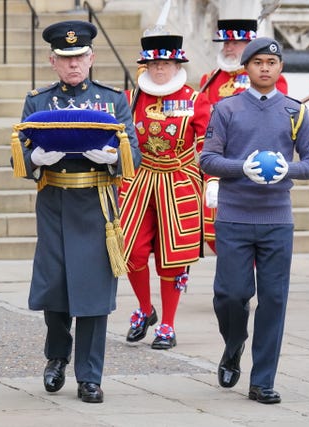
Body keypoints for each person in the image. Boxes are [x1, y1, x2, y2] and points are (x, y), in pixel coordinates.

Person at [12, 20, 140, 403]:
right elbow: (18, 150)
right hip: (54, 202)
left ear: (92, 58)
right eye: (65, 58)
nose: (73, 65)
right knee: (54, 288)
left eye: (80, 57)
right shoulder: (38, 100)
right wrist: (34, 157)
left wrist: (114, 156)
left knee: (93, 293)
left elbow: (133, 149)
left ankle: (89, 376)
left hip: (97, 203)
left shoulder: (113, 99)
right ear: (53, 61)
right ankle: (56, 357)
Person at [200, 37, 309, 404]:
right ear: (246, 68)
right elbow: (207, 159)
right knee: (230, 295)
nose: (265, 68)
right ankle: (234, 341)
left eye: (272, 61)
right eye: (258, 62)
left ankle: (262, 380)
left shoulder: (294, 111)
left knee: (273, 299)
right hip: (235, 216)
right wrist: (244, 168)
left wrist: (288, 168)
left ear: (280, 67)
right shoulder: (227, 109)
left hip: (276, 219)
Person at [119, 33, 210, 349]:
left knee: (173, 258)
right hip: (140, 181)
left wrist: (211, 180)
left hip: (178, 182)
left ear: (177, 64)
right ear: (145, 66)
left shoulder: (196, 100)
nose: (159, 69)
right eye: (154, 63)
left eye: (166, 63)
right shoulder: (130, 99)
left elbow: (208, 147)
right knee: (130, 250)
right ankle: (145, 309)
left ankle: (168, 325)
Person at [200, 19, 289, 254]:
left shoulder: (267, 77)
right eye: (226, 42)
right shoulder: (210, 78)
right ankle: (238, 275)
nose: (229, 47)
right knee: (212, 231)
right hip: (220, 160)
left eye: (236, 42)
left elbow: (277, 116)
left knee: (253, 231)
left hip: (256, 158)